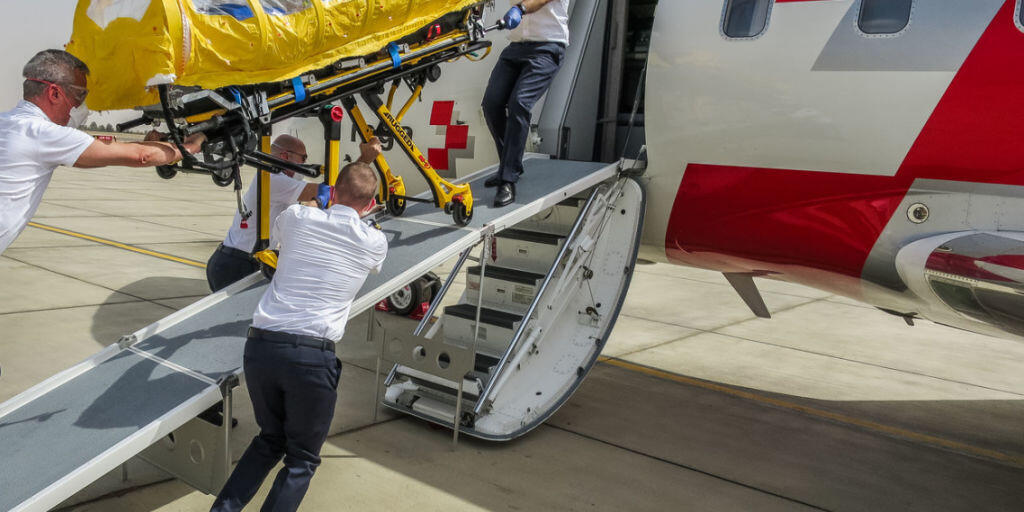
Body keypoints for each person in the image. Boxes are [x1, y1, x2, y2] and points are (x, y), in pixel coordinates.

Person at [211, 161, 388, 512]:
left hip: (261, 347)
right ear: (370, 205)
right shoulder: (375, 242)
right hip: (311, 358)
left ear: (332, 191)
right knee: (302, 459)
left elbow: (284, 231)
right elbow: (370, 257)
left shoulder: (296, 217)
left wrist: (316, 205)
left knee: (269, 440)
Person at [0, 49, 205, 255]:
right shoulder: (44, 134)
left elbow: (94, 151)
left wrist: (146, 144)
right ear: (54, 94)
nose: (81, 104)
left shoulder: (10, 123)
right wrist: (192, 145)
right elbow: (142, 156)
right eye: (80, 94)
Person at [205, 134, 383, 291]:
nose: (305, 163)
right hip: (237, 264)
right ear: (285, 156)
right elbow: (335, 190)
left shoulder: (272, 178)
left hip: (237, 261)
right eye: (303, 158)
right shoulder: (273, 179)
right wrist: (364, 160)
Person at [481, 0, 570, 207]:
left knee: (519, 103)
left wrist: (520, 9)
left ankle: (508, 179)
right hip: (516, 46)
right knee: (491, 104)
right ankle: (508, 166)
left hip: (548, 46)